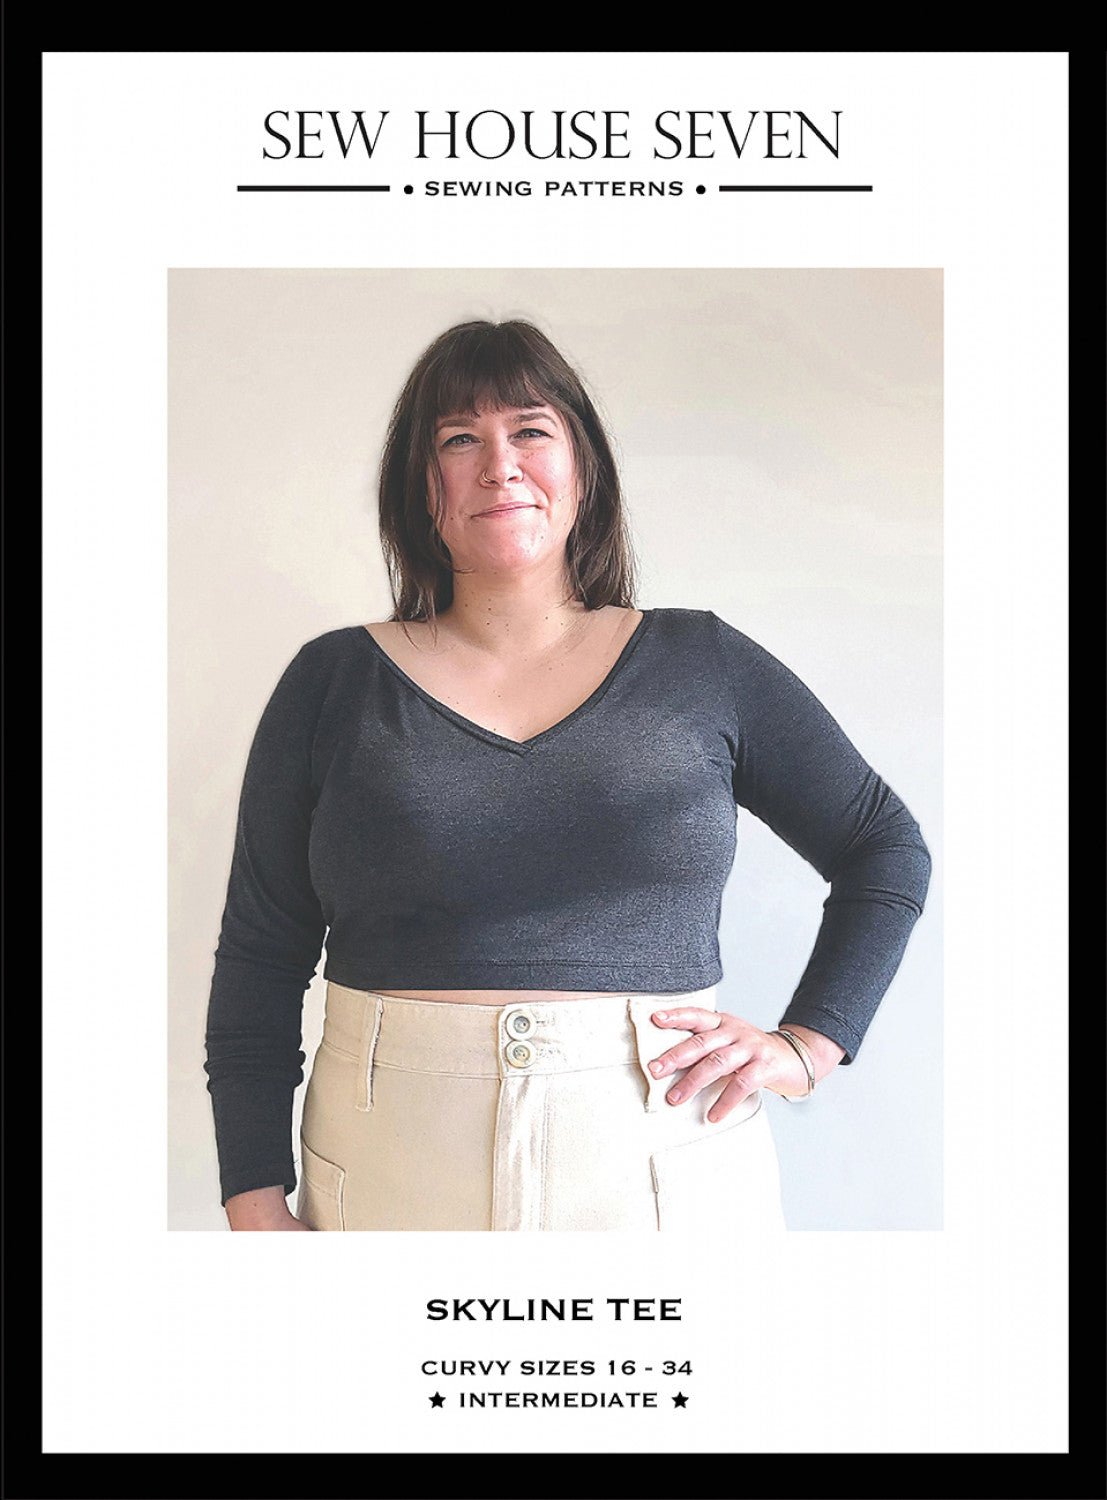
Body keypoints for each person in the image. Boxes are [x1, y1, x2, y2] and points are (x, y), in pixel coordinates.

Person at [203, 318, 932, 1232]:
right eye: (458, 439)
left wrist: (809, 1044)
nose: (498, 466)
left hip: (666, 1163)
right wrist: (252, 1197)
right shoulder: (332, 683)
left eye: (529, 431)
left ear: (582, 468)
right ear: (417, 486)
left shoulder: (702, 663)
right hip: (387, 1167)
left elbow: (882, 846)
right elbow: (261, 955)